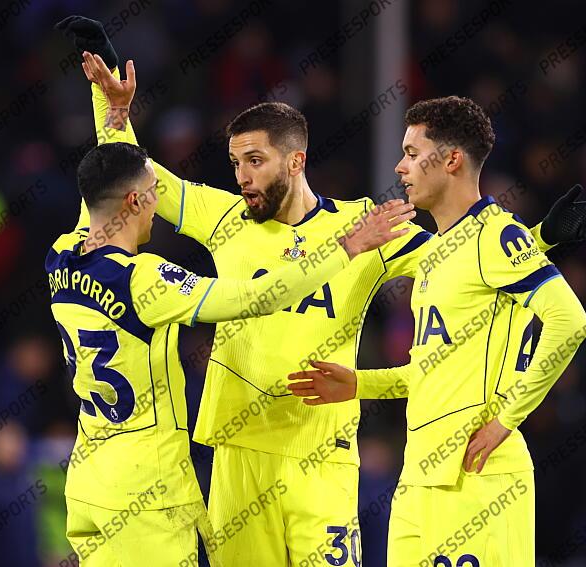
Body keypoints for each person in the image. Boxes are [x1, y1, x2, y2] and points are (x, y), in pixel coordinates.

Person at [57, 15, 586, 565]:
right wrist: (113, 110)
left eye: (255, 161)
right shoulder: (224, 217)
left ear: (296, 161)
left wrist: (539, 239)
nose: (242, 177)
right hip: (240, 448)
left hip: (323, 455)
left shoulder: (364, 227)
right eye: (236, 163)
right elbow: (133, 182)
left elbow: (463, 257)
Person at [47, 137, 414, 566]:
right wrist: (345, 249)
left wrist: (110, 115)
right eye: (153, 193)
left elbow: (101, 181)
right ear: (134, 200)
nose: (158, 204)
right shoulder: (143, 280)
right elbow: (257, 298)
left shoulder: (62, 254)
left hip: (88, 478)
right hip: (144, 487)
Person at [287, 97, 586, 566]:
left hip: (479, 477)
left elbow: (570, 322)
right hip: (419, 478)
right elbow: (427, 370)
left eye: (412, 153)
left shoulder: (495, 234)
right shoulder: (435, 253)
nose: (400, 166)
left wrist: (506, 420)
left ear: (451, 160)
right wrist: (358, 384)